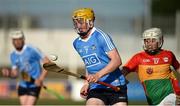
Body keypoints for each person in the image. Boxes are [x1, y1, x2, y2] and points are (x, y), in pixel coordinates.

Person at [72, 8, 128, 105]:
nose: (78, 25)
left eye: (81, 22)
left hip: (115, 84)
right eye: (76, 22)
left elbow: (117, 60)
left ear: (90, 22)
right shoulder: (77, 43)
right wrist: (86, 84)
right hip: (97, 87)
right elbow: (89, 64)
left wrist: (98, 75)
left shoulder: (100, 36)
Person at [122, 28, 180, 105]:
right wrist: (121, 78)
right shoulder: (138, 58)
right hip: (153, 101)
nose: (149, 44)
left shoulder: (168, 55)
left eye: (153, 41)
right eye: (147, 41)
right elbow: (125, 70)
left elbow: (178, 68)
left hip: (172, 94)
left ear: (160, 41)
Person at [2, 30, 50, 106]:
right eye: (15, 40)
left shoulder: (32, 49)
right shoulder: (13, 55)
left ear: (23, 39)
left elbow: (48, 63)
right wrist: (9, 73)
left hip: (34, 84)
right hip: (22, 85)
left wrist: (40, 79)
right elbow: (15, 74)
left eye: (19, 39)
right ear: (12, 41)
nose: (17, 42)